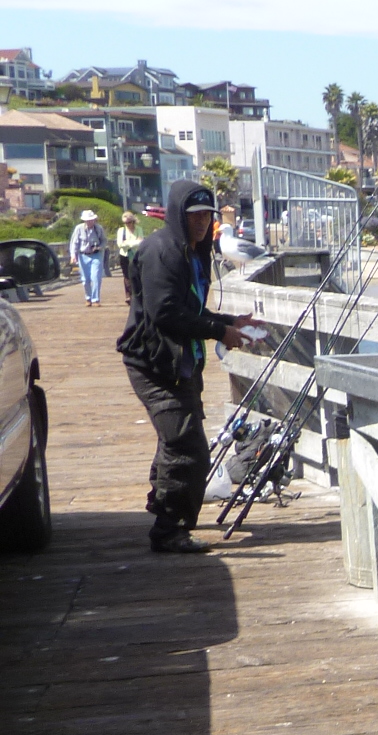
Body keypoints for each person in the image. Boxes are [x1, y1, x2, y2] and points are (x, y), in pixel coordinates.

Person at [116, 180, 259, 554]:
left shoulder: (195, 252)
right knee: (187, 446)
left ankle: (163, 506)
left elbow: (190, 309)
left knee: (178, 438)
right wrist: (219, 331)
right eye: (194, 215)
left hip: (180, 362)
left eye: (207, 215)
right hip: (153, 363)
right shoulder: (162, 252)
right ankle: (169, 531)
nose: (201, 222)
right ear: (179, 215)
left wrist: (229, 321)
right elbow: (164, 313)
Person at [69, 207, 108, 307]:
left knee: (96, 277)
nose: (90, 221)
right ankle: (88, 298)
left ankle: (96, 299)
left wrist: (100, 247)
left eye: (91, 220)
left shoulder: (99, 228)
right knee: (85, 279)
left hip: (96, 255)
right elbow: (74, 243)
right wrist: (73, 255)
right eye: (88, 220)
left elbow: (104, 240)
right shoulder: (79, 228)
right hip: (83, 255)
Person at [116, 210, 144, 304]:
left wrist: (127, 243)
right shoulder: (121, 230)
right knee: (127, 276)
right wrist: (134, 242)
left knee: (137, 274)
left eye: (129, 222)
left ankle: (137, 294)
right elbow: (120, 244)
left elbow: (141, 242)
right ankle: (129, 295)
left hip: (136, 255)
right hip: (125, 255)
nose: (127, 225)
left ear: (133, 221)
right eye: (125, 223)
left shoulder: (138, 229)